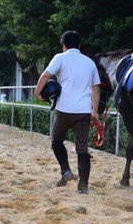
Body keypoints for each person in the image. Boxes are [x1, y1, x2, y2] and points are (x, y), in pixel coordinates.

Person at [34, 30, 101, 194]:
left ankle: (66, 170)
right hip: (84, 111)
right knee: (82, 148)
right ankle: (83, 187)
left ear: (64, 45)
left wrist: (37, 93)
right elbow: (96, 88)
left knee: (56, 140)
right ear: (79, 45)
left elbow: (45, 76)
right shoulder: (89, 62)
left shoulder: (60, 58)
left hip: (64, 109)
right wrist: (95, 112)